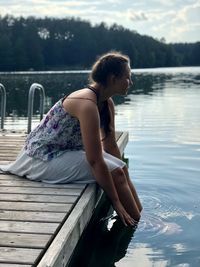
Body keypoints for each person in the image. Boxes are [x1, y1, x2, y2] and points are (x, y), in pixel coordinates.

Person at [0, 51, 142, 226]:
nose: (131, 82)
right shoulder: (87, 104)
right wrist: (116, 202)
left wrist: (119, 168)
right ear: (113, 78)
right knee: (116, 173)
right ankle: (139, 224)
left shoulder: (106, 102)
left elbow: (110, 144)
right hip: (40, 157)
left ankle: (141, 217)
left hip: (64, 151)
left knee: (122, 168)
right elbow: (95, 160)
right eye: (127, 77)